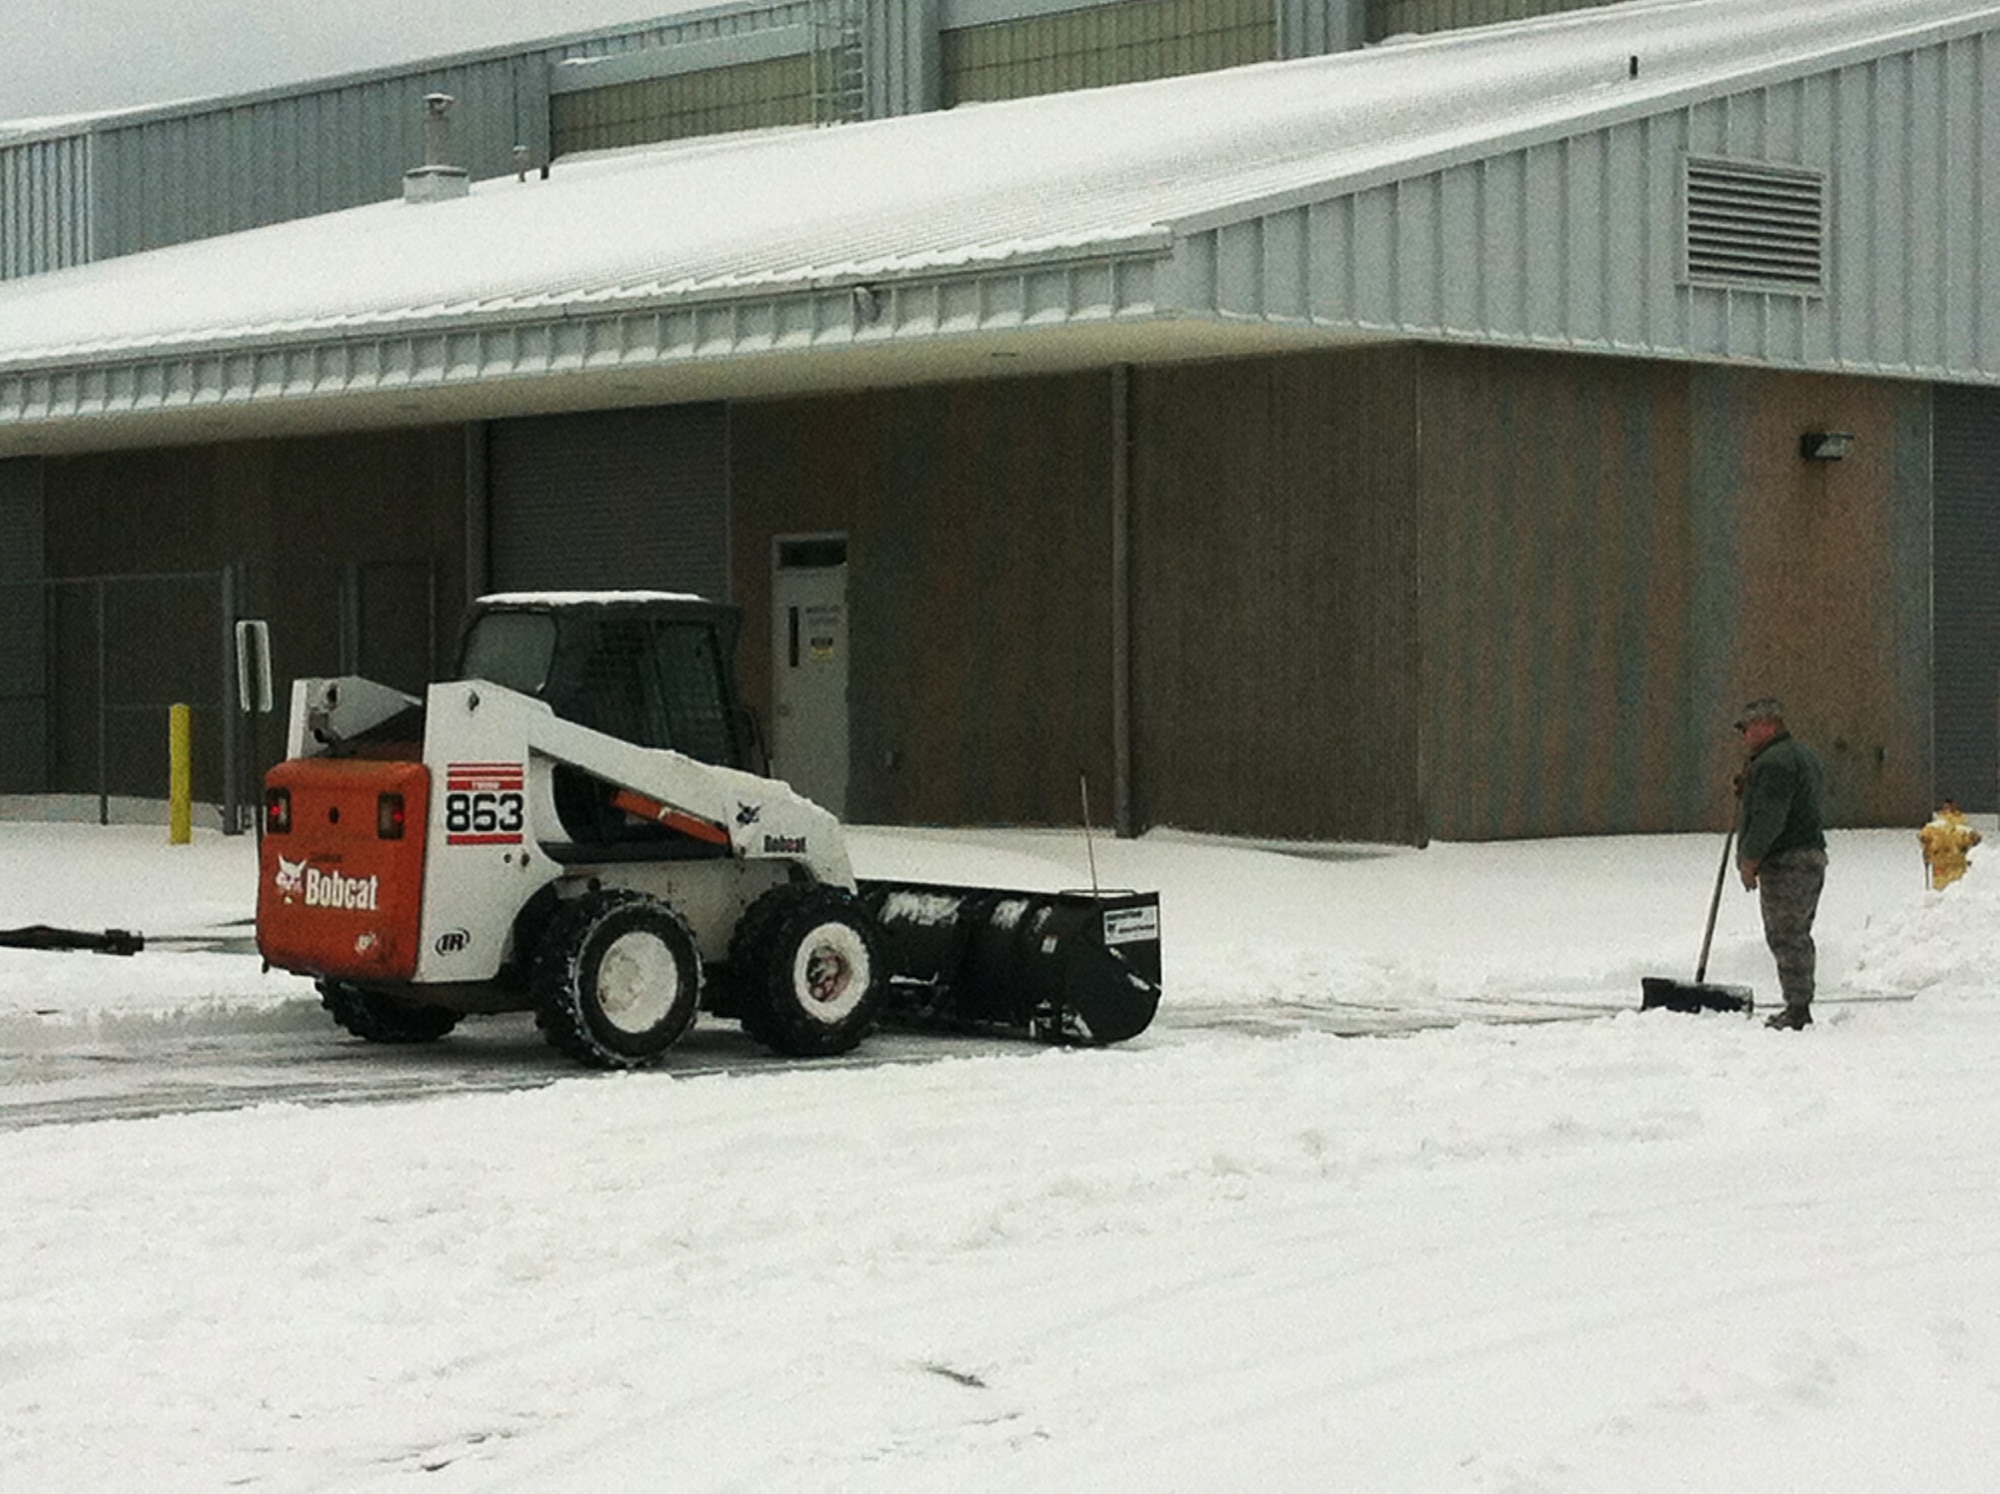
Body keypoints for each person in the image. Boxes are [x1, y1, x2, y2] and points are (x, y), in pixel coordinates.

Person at [1734, 698, 1828, 1030]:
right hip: (1811, 856)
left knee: (1786, 934)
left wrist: (1750, 858)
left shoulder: (1773, 763)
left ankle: (1798, 1009)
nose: (1745, 735)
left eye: (1748, 728)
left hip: (1787, 860)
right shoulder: (1803, 756)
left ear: (1768, 725)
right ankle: (1799, 1002)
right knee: (1797, 932)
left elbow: (1770, 817)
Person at [1919, 798, 1982, 890]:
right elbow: (1925, 838)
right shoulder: (1938, 825)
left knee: (1947, 888)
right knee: (1951, 888)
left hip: (1951, 862)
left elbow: (1925, 838)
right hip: (1946, 863)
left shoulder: (1953, 824)